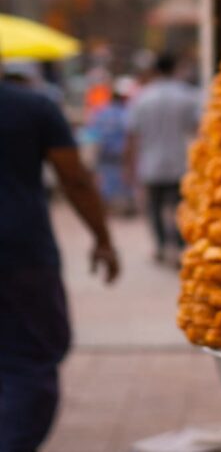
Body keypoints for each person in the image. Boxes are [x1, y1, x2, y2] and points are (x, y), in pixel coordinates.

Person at [0, 63, 120, 452]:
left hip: (23, 254)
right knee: (31, 360)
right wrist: (102, 239)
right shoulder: (34, 107)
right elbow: (75, 179)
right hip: (21, 252)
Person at [125, 53, 200, 262]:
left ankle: (160, 246)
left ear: (155, 70)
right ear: (174, 68)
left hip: (150, 163)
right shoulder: (186, 95)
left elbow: (132, 135)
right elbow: (198, 129)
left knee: (154, 208)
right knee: (178, 206)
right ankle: (177, 245)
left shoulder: (142, 97)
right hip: (179, 162)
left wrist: (129, 165)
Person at [89, 78, 135, 216]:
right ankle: (125, 208)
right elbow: (130, 133)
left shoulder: (101, 112)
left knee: (107, 178)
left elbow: (93, 132)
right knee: (123, 179)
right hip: (120, 152)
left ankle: (106, 207)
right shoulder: (125, 113)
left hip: (104, 151)